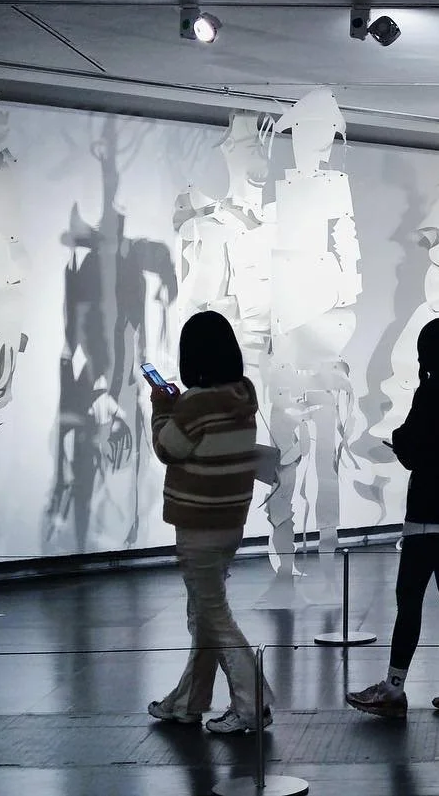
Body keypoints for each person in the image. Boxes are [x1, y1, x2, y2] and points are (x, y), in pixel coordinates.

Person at [347, 317, 439, 718]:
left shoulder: (430, 392)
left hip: (427, 511)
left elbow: (412, 450)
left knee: (409, 600)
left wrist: (399, 440)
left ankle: (393, 689)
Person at [146, 310, 272, 733]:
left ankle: (254, 705)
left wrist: (161, 408)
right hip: (231, 519)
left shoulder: (196, 403)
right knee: (203, 612)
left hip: (197, 522)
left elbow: (168, 449)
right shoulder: (242, 394)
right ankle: (187, 702)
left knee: (214, 615)